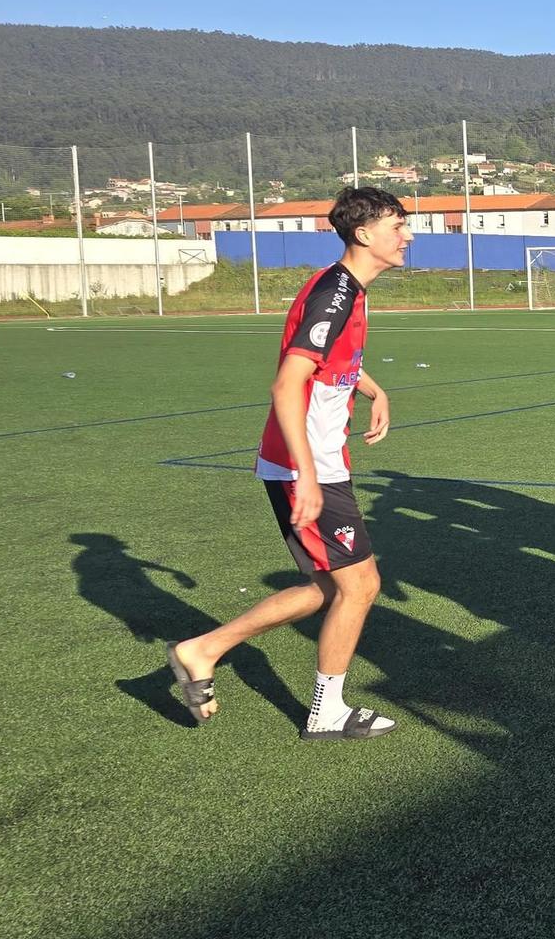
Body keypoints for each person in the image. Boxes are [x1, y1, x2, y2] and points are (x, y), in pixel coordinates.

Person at [164, 187, 409, 740]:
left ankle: (203, 649)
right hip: (308, 463)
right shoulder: (335, 293)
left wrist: (375, 389)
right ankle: (326, 711)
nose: (408, 236)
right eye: (398, 226)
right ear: (364, 233)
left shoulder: (349, 289)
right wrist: (305, 473)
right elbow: (287, 382)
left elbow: (333, 362)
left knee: (329, 587)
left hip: (317, 461)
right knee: (361, 585)